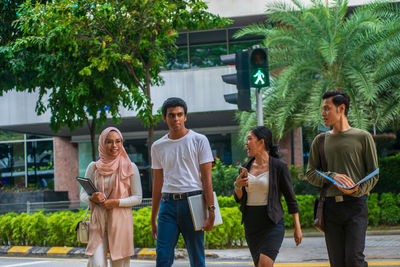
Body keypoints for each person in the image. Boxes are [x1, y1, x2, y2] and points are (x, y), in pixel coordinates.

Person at [305, 90, 379, 267]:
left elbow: (374, 173)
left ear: (341, 108)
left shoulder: (363, 137)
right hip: (330, 208)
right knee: (337, 263)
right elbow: (310, 173)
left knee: (354, 259)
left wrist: (357, 190)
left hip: (356, 205)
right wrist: (332, 176)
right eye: (322, 109)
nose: (323, 113)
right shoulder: (320, 140)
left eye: (327, 109)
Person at [151, 97, 215, 267]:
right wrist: (153, 217)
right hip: (167, 204)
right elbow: (157, 183)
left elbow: (206, 180)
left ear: (185, 117)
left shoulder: (199, 140)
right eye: (171, 115)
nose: (176, 119)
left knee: (197, 258)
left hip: (193, 201)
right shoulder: (158, 146)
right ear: (165, 118)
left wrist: (211, 210)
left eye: (179, 114)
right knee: (162, 257)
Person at [234, 126, 302, 267]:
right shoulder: (246, 167)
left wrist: (297, 227)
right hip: (251, 225)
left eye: (249, 139)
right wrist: (238, 185)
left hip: (272, 223)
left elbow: (291, 198)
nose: (246, 143)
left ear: (261, 142)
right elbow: (239, 198)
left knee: (265, 264)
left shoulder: (279, 167)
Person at [80, 127, 142, 267]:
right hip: (97, 224)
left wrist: (116, 202)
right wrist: (92, 198)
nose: (114, 146)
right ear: (102, 143)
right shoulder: (93, 167)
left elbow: (138, 198)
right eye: (109, 142)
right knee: (97, 264)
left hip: (121, 224)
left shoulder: (130, 167)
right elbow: (83, 194)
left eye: (118, 141)